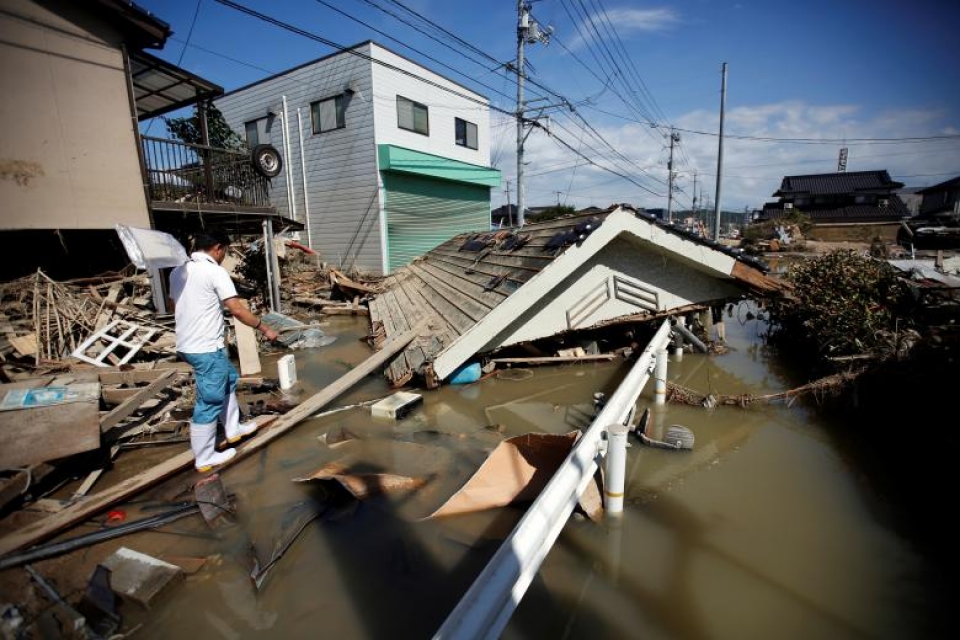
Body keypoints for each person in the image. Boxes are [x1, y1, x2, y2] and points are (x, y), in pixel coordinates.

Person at [169, 229, 279, 472]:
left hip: (188, 344)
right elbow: (236, 309)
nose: (223, 257)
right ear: (217, 248)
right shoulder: (214, 271)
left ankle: (233, 428)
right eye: (225, 252)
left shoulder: (177, 272)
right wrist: (264, 328)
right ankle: (205, 457)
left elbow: (174, 304)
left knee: (228, 377)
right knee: (209, 401)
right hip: (205, 347)